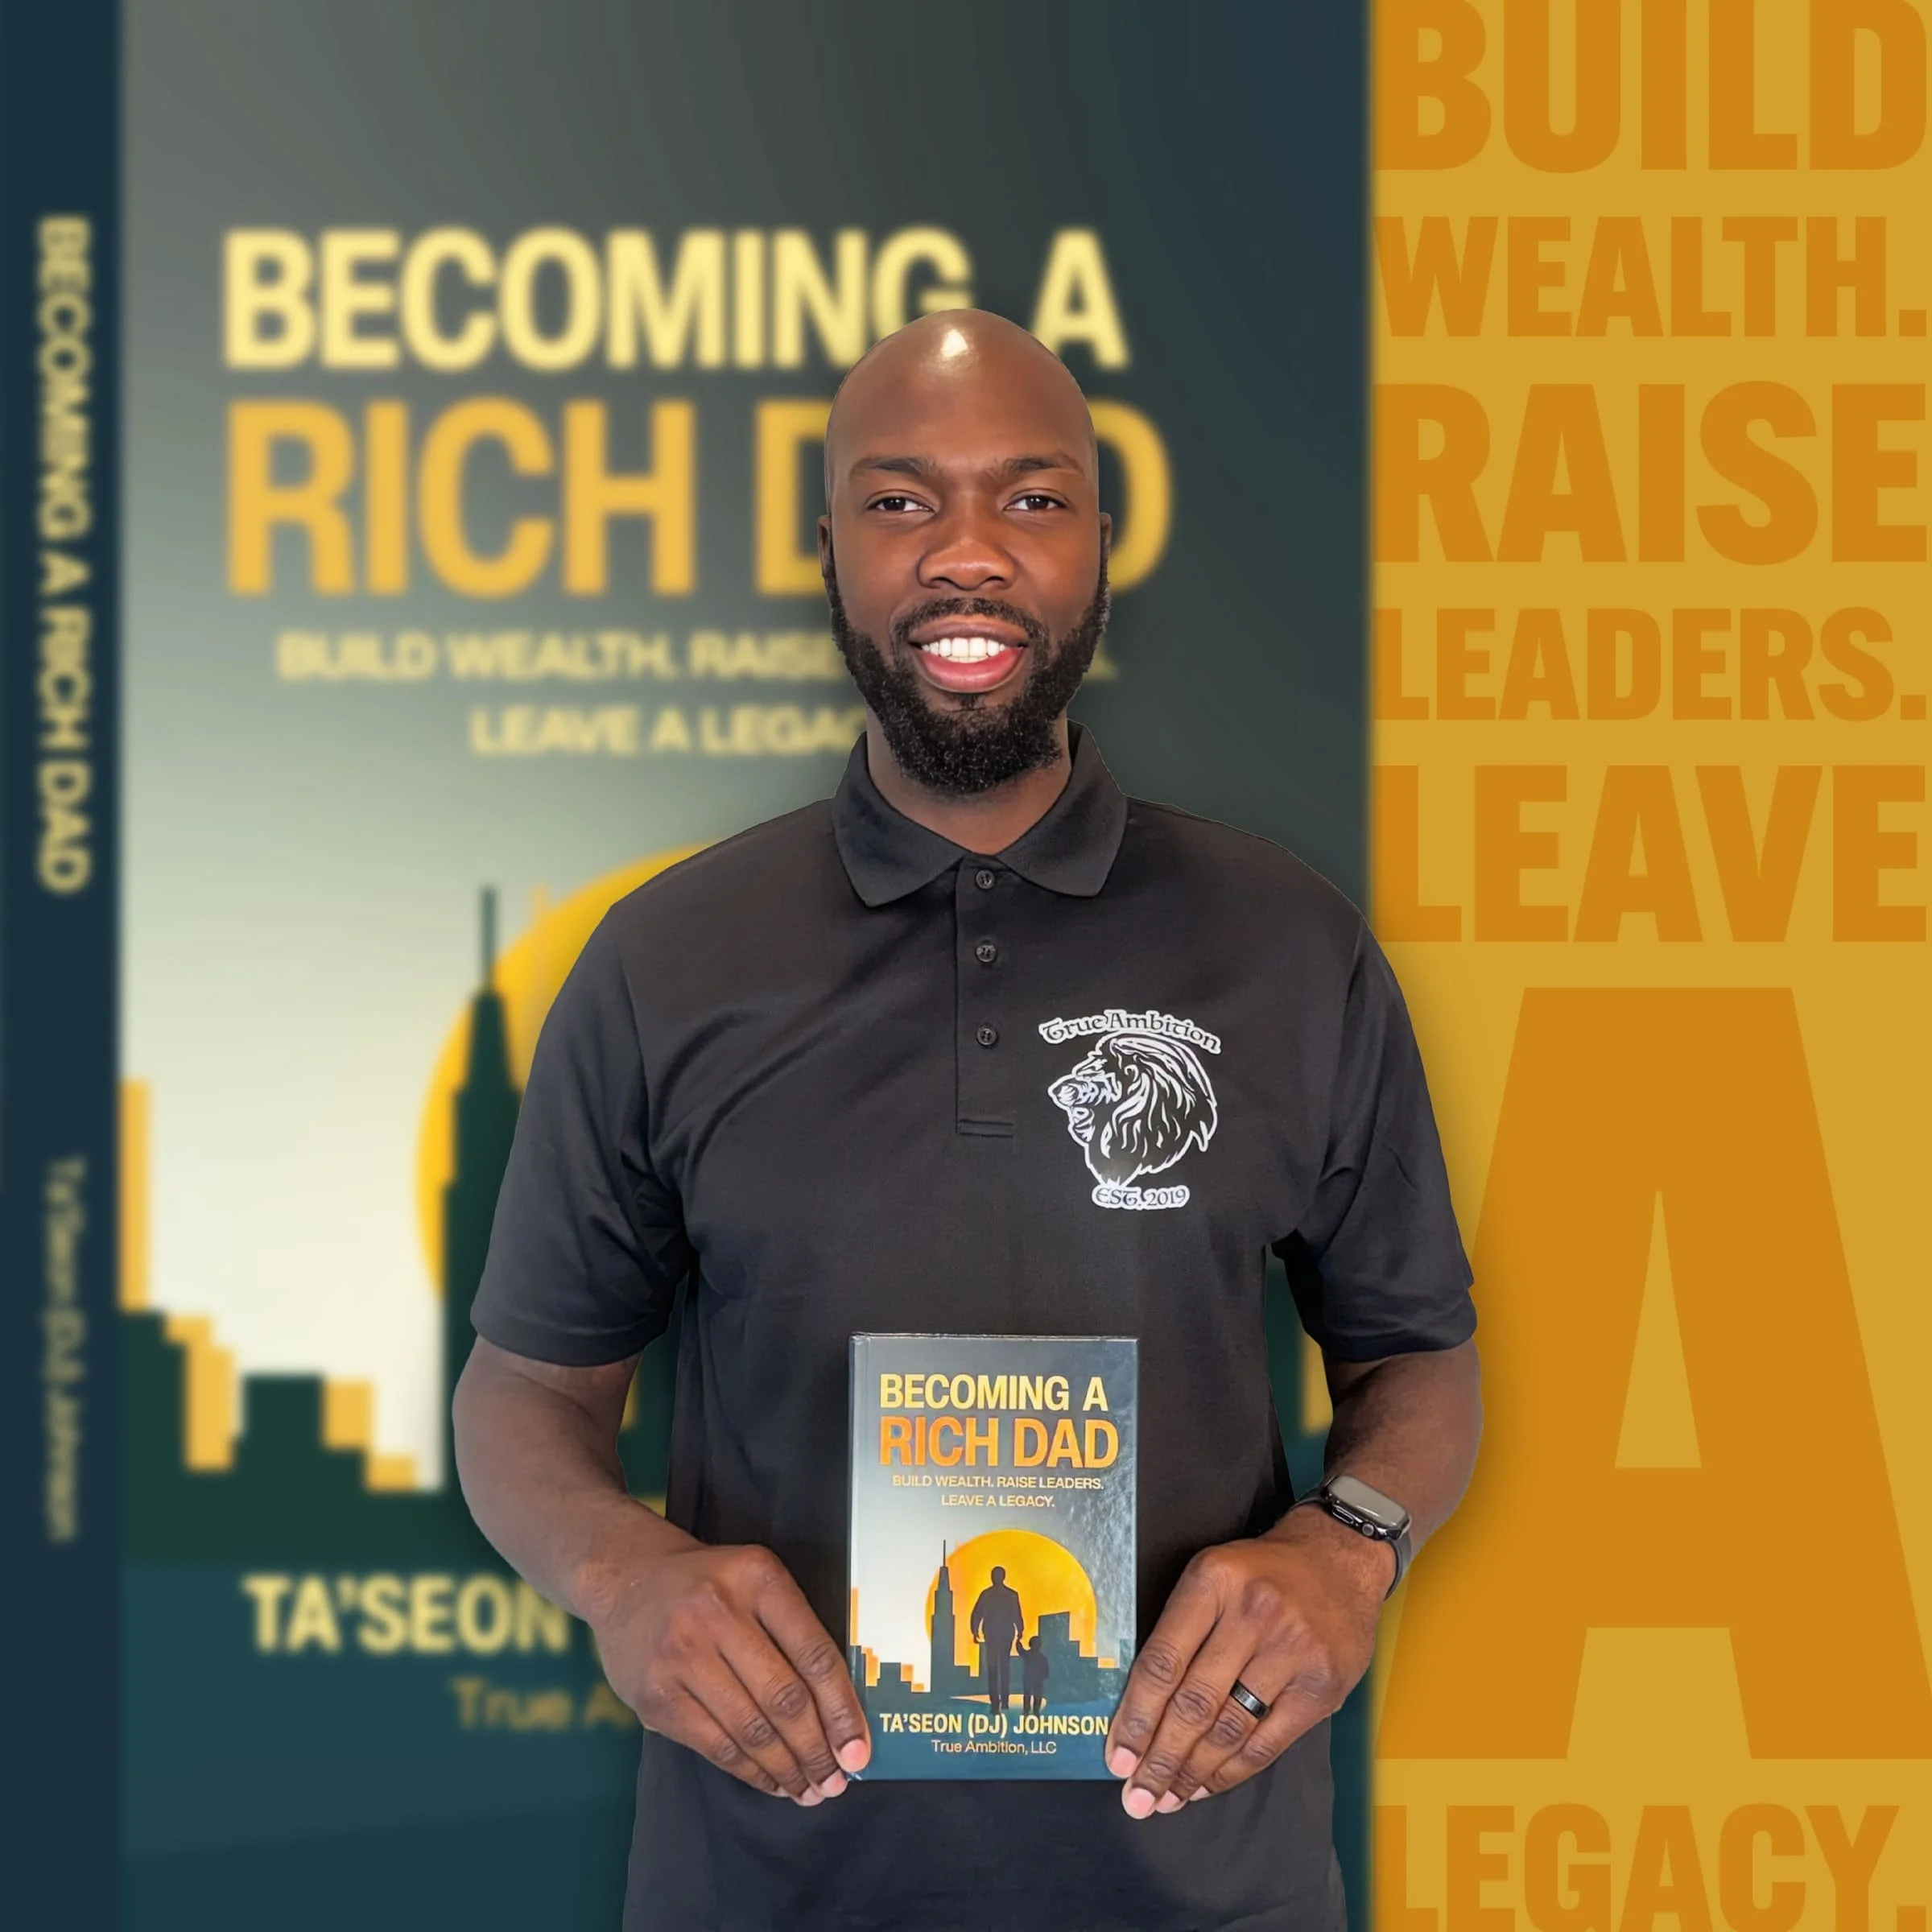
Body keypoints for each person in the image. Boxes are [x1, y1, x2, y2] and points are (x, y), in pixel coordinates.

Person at [453, 308, 1481, 1932]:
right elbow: (524, 1390)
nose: (969, 552)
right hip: (764, 1890)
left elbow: (1418, 1354)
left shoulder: (1291, 946)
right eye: (901, 500)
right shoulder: (665, 960)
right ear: (831, 551)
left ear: (1101, 547)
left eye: (1033, 497)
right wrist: (619, 1574)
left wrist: (1348, 1549)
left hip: (1211, 1891)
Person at [969, 1567, 1025, 1709]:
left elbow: (1016, 1614)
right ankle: (997, 1701)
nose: (995, 1578)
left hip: (1002, 1634)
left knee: (1000, 1667)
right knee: (996, 1667)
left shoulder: (1008, 1595)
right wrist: (974, 1630)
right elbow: (977, 1613)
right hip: (994, 1635)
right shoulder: (989, 1595)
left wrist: (1020, 1630)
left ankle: (1002, 1701)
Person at [1022, 1634, 1051, 1718]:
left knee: (1035, 1695)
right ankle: (1030, 1711)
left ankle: (1033, 1711)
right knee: (1030, 1695)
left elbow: (1046, 1671)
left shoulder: (1041, 1658)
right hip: (1032, 1679)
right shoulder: (1040, 1657)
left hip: (1036, 1679)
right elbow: (1046, 1672)